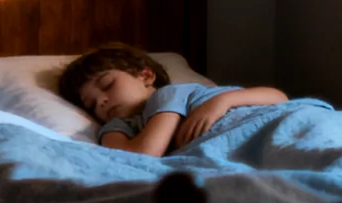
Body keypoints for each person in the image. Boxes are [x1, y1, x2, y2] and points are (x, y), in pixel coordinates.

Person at [59, 43, 288, 158]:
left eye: (108, 85)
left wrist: (222, 102)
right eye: (91, 104)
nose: (101, 101)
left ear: (146, 76)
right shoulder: (117, 127)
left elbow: (279, 99)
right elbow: (134, 157)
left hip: (266, 123)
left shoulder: (172, 94)